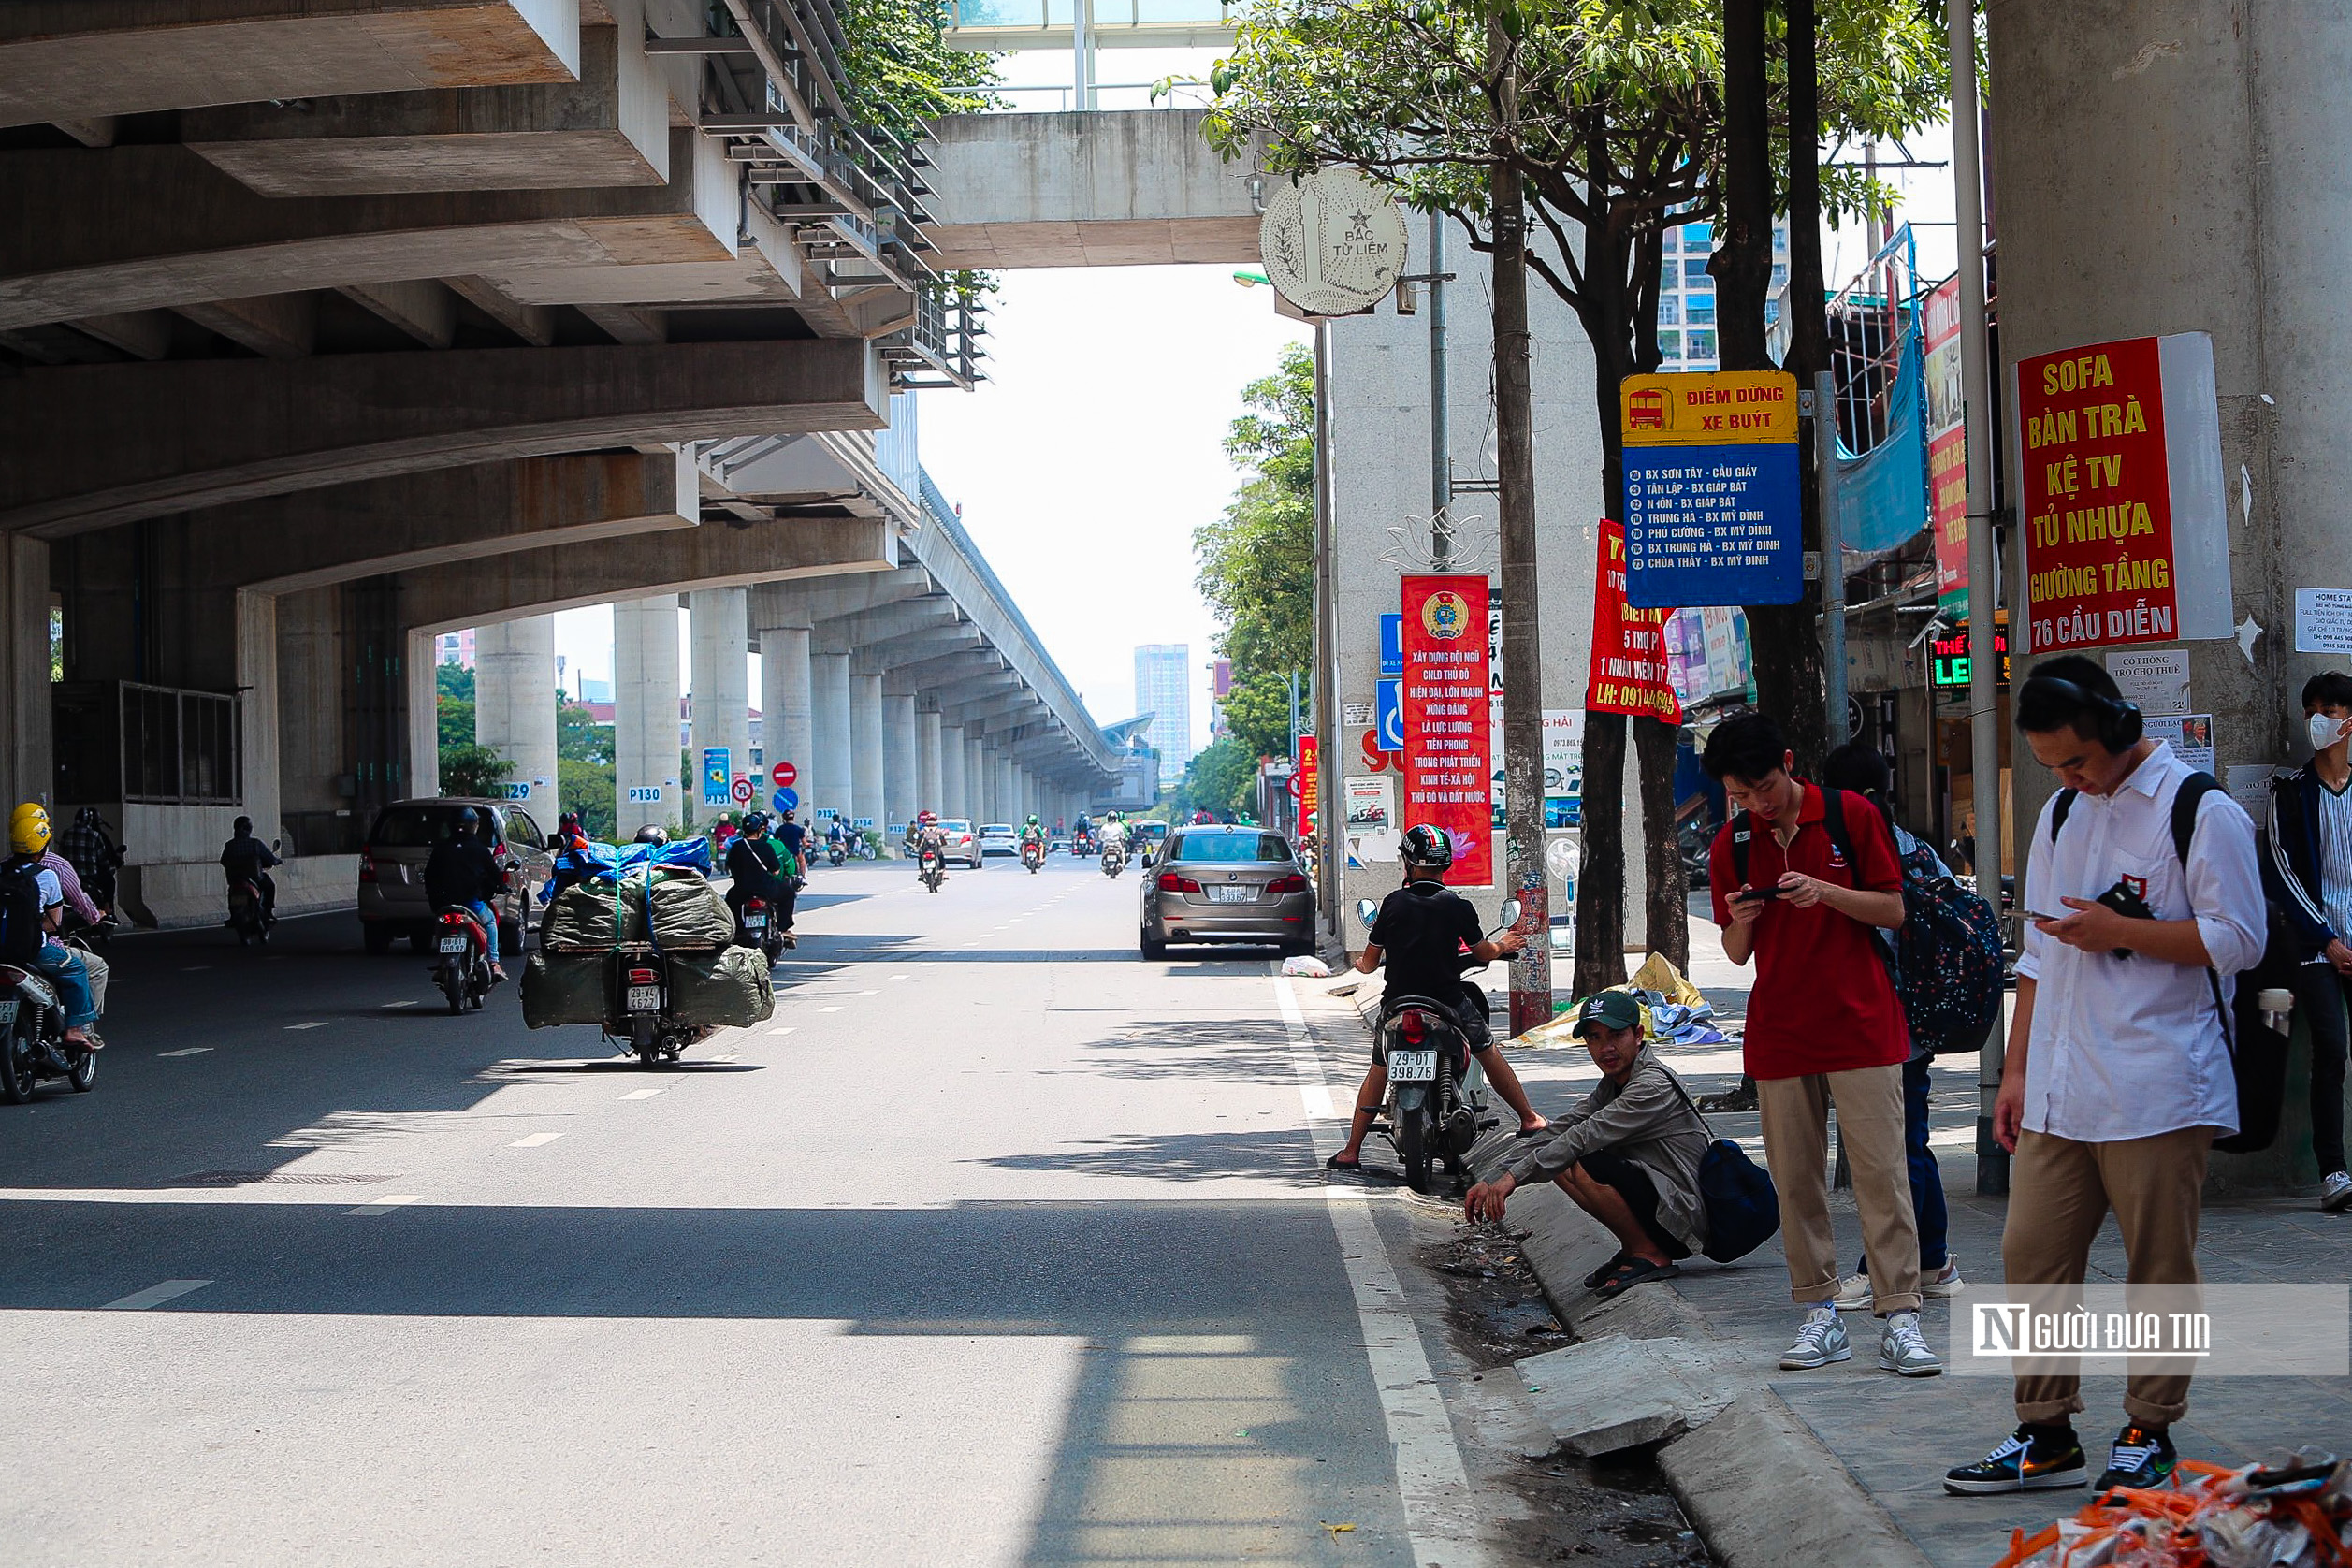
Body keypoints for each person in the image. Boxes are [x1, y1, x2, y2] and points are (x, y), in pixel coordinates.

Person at [1946, 657, 2266, 1496]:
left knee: (2158, 1265)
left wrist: (2123, 930)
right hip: (2060, 1081)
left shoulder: (2201, 811)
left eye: (2078, 761)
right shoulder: (2058, 813)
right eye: (2053, 766)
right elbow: (2042, 952)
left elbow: (2239, 940)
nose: (2069, 779)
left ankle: (2149, 1426)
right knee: (2031, 1254)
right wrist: (2014, 1074)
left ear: (2119, 732)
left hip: (2161, 1080)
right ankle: (2045, 1430)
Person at [1702, 711, 1940, 1380]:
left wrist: (1826, 892)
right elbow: (1736, 950)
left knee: (1882, 1174)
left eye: (1764, 787)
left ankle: (1900, 1315)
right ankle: (1820, 1314)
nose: (1757, 803)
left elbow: (1893, 909)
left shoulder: (1851, 816)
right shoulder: (1733, 845)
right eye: (1742, 795)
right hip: (1780, 1033)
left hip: (1862, 1026)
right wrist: (1742, 921)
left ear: (1787, 762)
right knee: (1796, 1183)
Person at [1819, 740, 1967, 1310]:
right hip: (1922, 1014)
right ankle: (1934, 1260)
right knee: (1910, 1143)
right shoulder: (1917, 846)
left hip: (1884, 1019)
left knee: (1892, 1151)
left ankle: (1887, 1269)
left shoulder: (1857, 846)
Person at [1327, 823, 1550, 1169]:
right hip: (1448, 1001)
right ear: (1445, 865)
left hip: (1397, 1003)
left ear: (1408, 864)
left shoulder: (1393, 904)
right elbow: (1481, 951)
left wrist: (1360, 962)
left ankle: (1352, 1150)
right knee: (1487, 1050)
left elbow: (1369, 964)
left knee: (1379, 1067)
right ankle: (1528, 1118)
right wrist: (1503, 945)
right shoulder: (1457, 906)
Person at [1463, 990, 1709, 1298]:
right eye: (1594, 1037)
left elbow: (1582, 1137)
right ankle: (1633, 1247)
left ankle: (1649, 1253)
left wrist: (1511, 1180)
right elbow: (1561, 1128)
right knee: (1558, 1157)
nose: (1605, 1048)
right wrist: (1494, 1177)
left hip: (1685, 1215)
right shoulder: (1616, 1082)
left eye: (1616, 1035)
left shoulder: (1652, 1085)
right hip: (1663, 1203)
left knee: (1577, 1158)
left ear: (1638, 1034)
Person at [2258, 669, 2352, 1212]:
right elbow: (2281, 870)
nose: (2321, 722)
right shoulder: (2290, 793)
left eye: (2332, 713)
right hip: (2318, 947)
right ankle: (2333, 1170)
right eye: (2314, 712)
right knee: (2331, 1051)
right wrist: (2329, 938)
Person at [8, 806, 98, 1054]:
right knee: (76, 969)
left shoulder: (2, 870)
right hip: (32, 950)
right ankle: (75, 1030)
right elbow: (54, 924)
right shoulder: (48, 875)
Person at [424, 807, 508, 982]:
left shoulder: (441, 848)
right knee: (491, 921)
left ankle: (442, 963)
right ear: (474, 826)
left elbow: (429, 875)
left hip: (444, 903)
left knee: (440, 927)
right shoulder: (479, 849)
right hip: (471, 903)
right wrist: (501, 886)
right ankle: (494, 962)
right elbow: (494, 874)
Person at [724, 810, 797, 950]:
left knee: (730, 902)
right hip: (766, 889)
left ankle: (737, 930)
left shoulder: (737, 847)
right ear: (760, 830)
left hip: (742, 890)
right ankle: (783, 928)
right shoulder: (767, 846)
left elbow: (730, 867)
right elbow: (775, 870)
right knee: (788, 893)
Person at [60, 806, 123, 919]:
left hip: (69, 876)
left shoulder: (66, 833)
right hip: (91, 877)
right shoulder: (95, 835)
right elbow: (103, 860)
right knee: (110, 881)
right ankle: (107, 909)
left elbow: (61, 855)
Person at [220, 815, 281, 926]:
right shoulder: (255, 843)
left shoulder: (229, 845)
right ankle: (268, 912)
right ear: (248, 829)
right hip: (254, 877)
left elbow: (223, 860)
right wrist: (277, 861)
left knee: (232, 892)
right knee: (269, 885)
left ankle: (233, 916)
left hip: (236, 878)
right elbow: (270, 858)